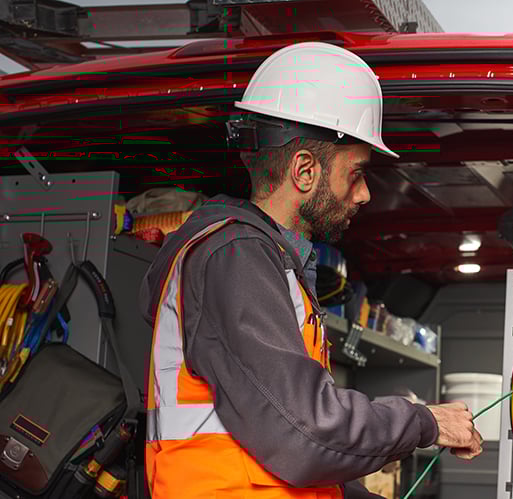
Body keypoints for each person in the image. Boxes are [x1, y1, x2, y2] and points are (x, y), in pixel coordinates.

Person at [139, 42, 483, 499]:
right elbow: (306, 432)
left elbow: (291, 450)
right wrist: (424, 421)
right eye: (356, 173)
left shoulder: (271, 260)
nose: (363, 195)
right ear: (304, 171)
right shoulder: (235, 257)